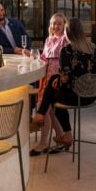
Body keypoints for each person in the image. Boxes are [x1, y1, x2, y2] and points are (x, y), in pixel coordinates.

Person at [33, 17, 96, 150]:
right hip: (91, 95)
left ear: (67, 32)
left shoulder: (66, 50)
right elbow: (93, 73)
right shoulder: (92, 48)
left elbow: (66, 82)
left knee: (52, 96)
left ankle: (43, 117)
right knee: (53, 81)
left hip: (76, 96)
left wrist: (57, 84)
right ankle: (44, 117)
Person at [30, 13, 69, 156]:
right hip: (46, 78)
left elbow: (66, 60)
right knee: (50, 110)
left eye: (59, 23)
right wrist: (32, 58)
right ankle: (61, 138)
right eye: (53, 23)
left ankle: (43, 143)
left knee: (44, 109)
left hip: (58, 80)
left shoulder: (66, 39)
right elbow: (43, 58)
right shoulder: (48, 39)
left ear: (65, 25)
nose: (56, 26)